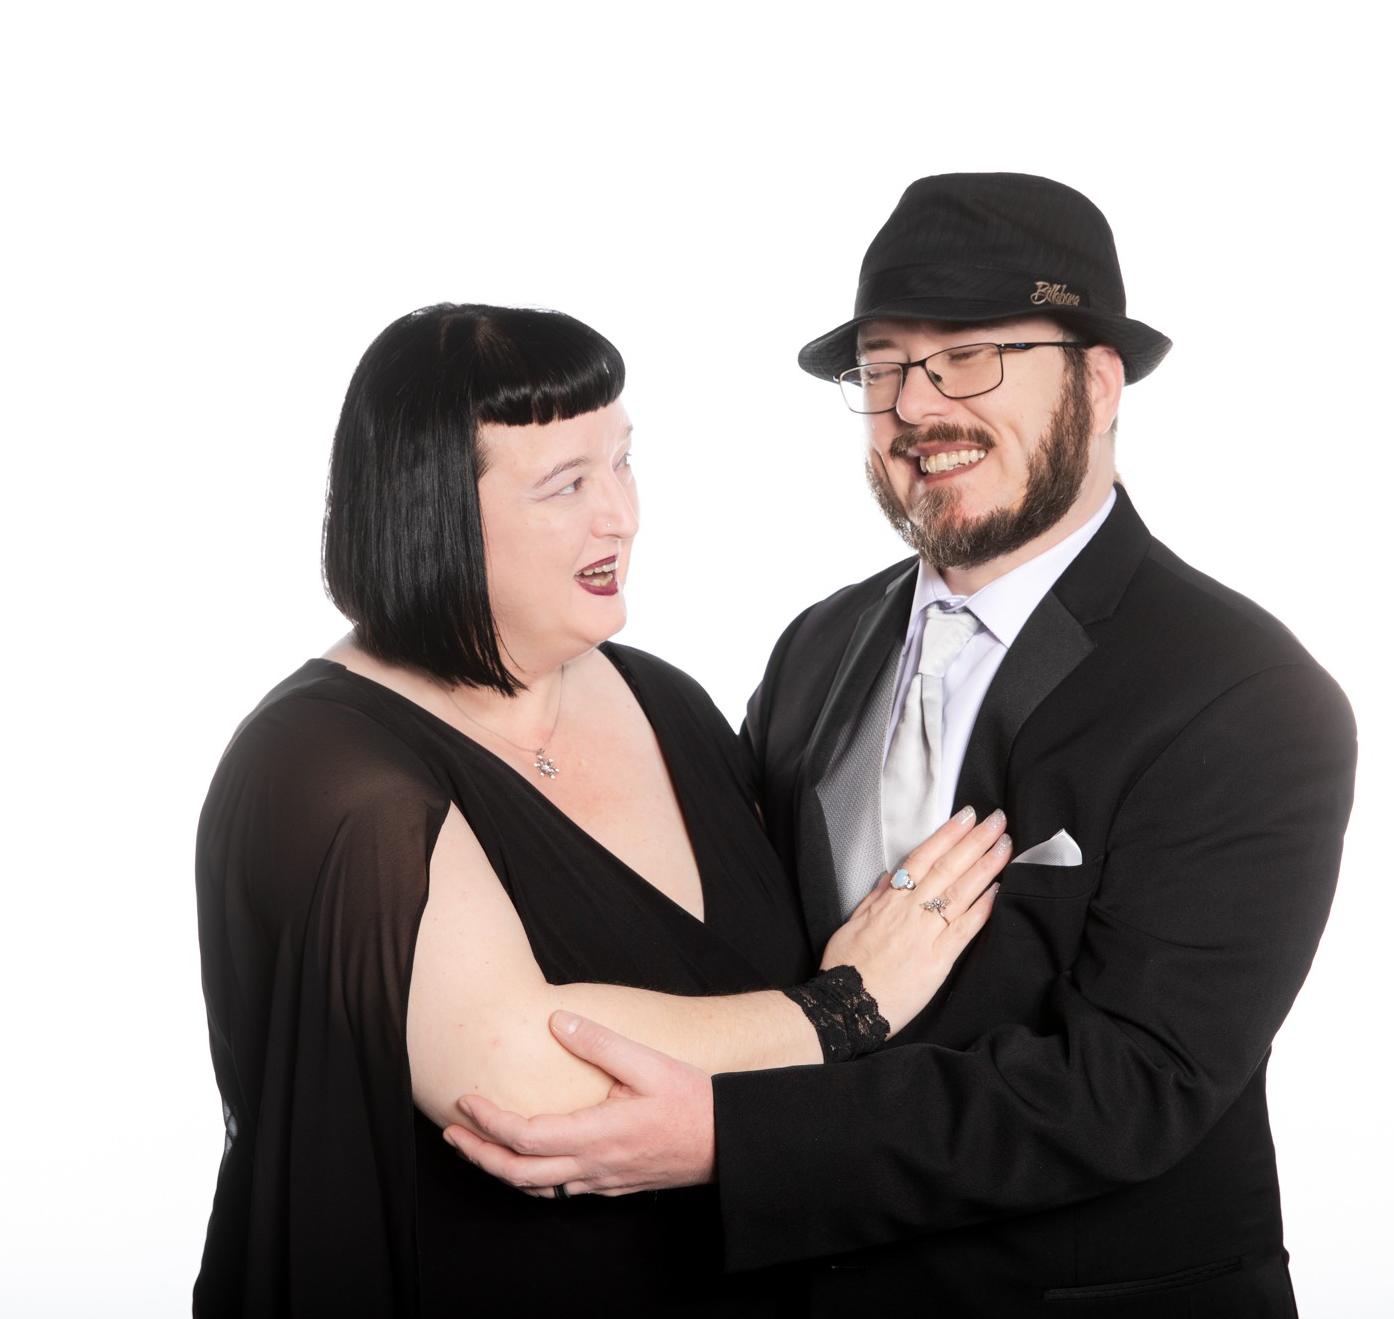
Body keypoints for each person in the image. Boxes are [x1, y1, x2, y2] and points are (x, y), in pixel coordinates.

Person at [445, 175, 1360, 1317]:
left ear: (1098, 381)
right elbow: (737, 947)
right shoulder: (820, 646)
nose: (918, 406)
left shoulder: (1242, 693)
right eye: (883, 368)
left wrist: (732, 1139)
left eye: (970, 356)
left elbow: (1135, 1086)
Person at [191, 302, 1013, 1317]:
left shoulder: (663, 698)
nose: (619, 515)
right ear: (430, 513)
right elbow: (519, 1078)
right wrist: (848, 1004)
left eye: (624, 463)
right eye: (565, 485)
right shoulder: (319, 766)